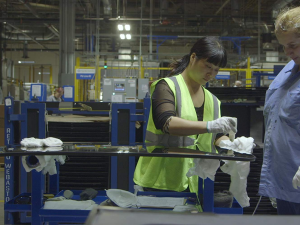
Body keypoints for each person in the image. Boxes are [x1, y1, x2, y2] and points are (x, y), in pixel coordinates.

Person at [133, 37, 237, 194]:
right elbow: (166, 122)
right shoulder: (166, 86)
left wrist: (228, 144)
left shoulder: (213, 100)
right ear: (193, 58)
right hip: (161, 180)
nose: (211, 74)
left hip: (197, 180)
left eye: (216, 70)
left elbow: (217, 135)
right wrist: (210, 126)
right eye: (208, 66)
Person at [258, 6, 300, 215]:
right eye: (284, 46)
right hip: (284, 180)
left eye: (292, 45)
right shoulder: (288, 70)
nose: (288, 52)